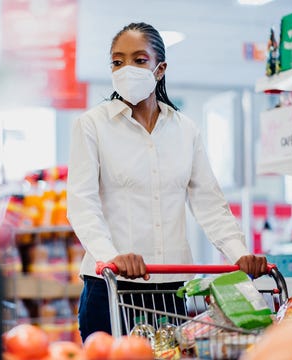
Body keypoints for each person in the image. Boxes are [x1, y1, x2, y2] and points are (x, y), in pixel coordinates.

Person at [66, 22, 267, 342]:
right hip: (110, 288)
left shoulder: (185, 130)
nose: (127, 69)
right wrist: (111, 257)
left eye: (139, 60)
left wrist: (239, 253)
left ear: (160, 69)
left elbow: (210, 203)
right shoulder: (92, 125)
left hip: (171, 289)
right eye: (118, 62)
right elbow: (81, 204)